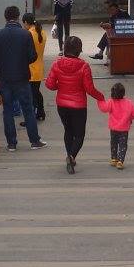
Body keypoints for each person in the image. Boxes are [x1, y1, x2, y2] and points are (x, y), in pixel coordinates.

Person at [0, 5, 47, 152]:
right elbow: (32, 56)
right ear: (18, 17)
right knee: (28, 109)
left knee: (7, 110)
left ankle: (11, 143)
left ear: (5, 17)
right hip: (22, 77)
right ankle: (34, 141)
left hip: (4, 78)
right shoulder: (25, 34)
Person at [45, 35, 105, 173]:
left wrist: (60, 86)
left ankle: (69, 157)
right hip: (78, 106)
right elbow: (89, 89)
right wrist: (100, 97)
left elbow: (49, 84)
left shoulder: (56, 64)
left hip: (62, 104)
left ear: (65, 48)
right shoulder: (84, 66)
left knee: (68, 130)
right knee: (79, 135)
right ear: (79, 50)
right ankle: (71, 157)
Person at [97, 82, 134, 169]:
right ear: (123, 93)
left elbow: (104, 108)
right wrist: (133, 114)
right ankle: (120, 161)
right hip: (124, 128)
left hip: (113, 128)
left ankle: (114, 159)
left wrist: (99, 100)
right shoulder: (129, 103)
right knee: (123, 145)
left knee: (113, 143)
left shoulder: (111, 102)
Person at [23, 12, 47, 123]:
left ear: (26, 22)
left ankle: (30, 117)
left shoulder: (28, 34)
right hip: (39, 67)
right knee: (36, 92)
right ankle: (41, 113)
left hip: (30, 68)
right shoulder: (42, 32)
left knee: (31, 95)